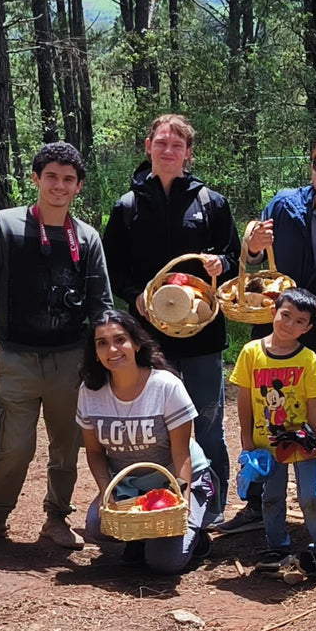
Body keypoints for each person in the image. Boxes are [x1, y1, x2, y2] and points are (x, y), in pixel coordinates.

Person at [0, 142, 112, 549]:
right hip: (16, 357)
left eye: (68, 179)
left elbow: (101, 303)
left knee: (66, 447)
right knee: (14, 447)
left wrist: (106, 356)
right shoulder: (4, 226)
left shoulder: (87, 238)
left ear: (79, 187)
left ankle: (56, 518)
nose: (58, 185)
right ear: (36, 179)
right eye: (50, 176)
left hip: (70, 359)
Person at [102, 114, 239, 520]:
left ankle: (211, 512)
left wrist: (221, 263)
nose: (168, 151)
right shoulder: (127, 207)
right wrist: (134, 297)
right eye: (161, 143)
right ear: (148, 146)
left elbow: (232, 258)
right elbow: (112, 267)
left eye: (177, 145)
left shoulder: (210, 203)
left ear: (188, 154)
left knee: (209, 424)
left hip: (201, 335)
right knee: (153, 429)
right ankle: (153, 509)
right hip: (148, 338)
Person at [238, 133, 316, 533]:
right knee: (265, 413)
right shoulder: (283, 205)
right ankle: (258, 502)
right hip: (273, 336)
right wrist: (252, 247)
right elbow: (254, 261)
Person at [77, 311, 217, 574]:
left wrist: (181, 504)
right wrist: (107, 495)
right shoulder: (90, 391)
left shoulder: (165, 386)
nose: (113, 349)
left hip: (176, 480)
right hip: (130, 486)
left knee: (163, 564)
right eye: (102, 343)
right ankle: (142, 536)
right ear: (95, 352)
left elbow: (182, 453)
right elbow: (94, 452)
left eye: (120, 339)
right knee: (97, 525)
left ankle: (196, 533)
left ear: (136, 344)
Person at [228, 289, 316, 573]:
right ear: (274, 312)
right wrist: (247, 439)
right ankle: (277, 545)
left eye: (299, 321)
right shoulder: (252, 352)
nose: (289, 324)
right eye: (285, 315)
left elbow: (315, 401)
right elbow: (244, 399)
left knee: (310, 496)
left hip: (301, 442)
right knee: (272, 497)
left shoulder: (308, 358)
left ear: (308, 327)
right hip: (266, 444)